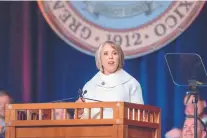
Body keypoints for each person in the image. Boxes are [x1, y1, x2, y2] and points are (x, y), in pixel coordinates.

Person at [76, 41, 144, 119]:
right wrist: (80, 112)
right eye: (105, 54)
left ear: (120, 58)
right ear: (100, 59)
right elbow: (85, 118)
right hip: (94, 130)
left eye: (115, 53)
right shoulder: (89, 86)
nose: (110, 57)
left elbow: (139, 116)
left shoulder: (131, 83)